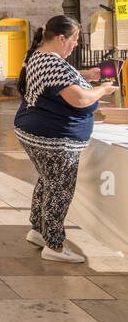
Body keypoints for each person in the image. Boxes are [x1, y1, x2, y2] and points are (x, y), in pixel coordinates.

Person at [15, 15, 116, 263]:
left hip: (37, 132)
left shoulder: (39, 55)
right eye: (74, 40)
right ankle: (55, 246)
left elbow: (57, 80)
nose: (76, 45)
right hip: (54, 138)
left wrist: (85, 75)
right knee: (60, 190)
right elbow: (79, 99)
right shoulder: (53, 63)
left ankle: (38, 231)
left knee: (48, 183)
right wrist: (103, 88)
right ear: (61, 38)